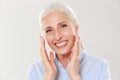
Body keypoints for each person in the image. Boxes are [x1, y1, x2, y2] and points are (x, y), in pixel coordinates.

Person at [26, 2, 112, 80]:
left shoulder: (99, 66)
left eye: (63, 26)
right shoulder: (35, 70)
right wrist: (49, 76)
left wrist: (74, 76)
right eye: (49, 30)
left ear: (76, 28)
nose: (57, 36)